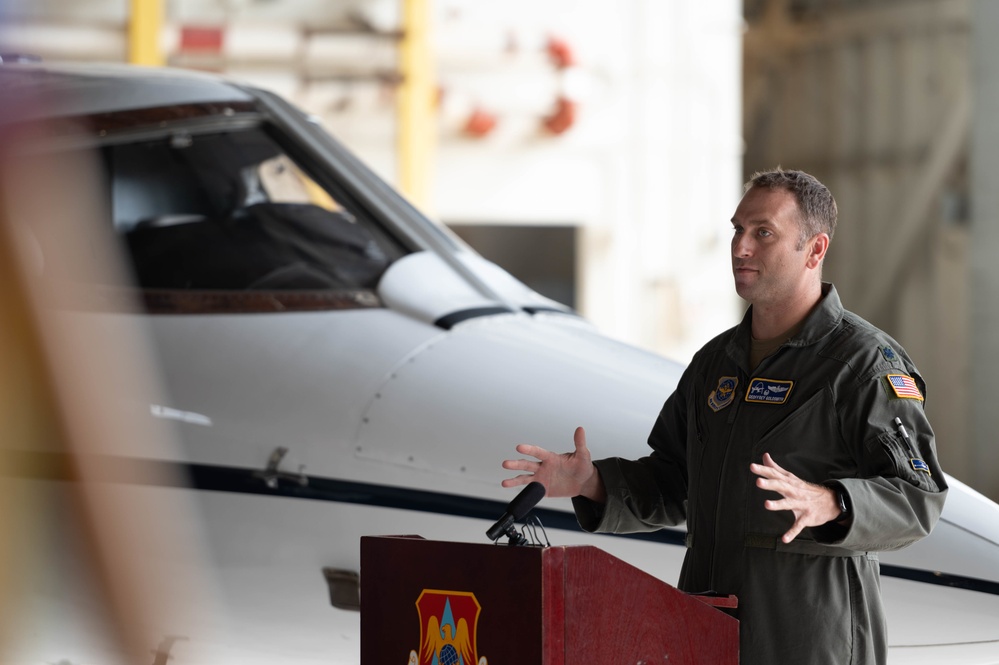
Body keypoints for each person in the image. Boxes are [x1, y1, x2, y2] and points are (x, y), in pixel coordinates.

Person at [501, 168, 947, 664]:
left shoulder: (863, 365)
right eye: (737, 229)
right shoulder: (716, 362)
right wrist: (592, 482)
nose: (740, 248)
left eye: (763, 233)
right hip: (705, 634)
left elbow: (918, 496)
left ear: (814, 250)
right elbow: (675, 481)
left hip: (809, 642)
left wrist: (833, 502)